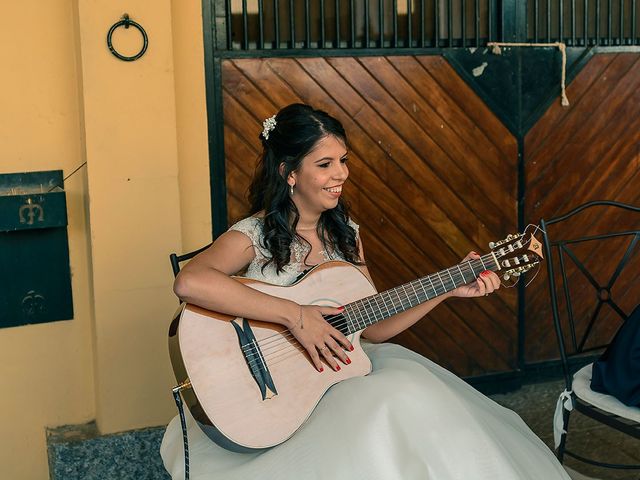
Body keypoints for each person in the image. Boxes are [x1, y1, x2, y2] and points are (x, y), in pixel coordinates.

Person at [161, 103, 570, 479]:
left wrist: (447, 289)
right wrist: (297, 316)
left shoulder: (346, 234)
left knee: (415, 401)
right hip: (284, 392)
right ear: (289, 173)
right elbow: (190, 282)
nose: (340, 174)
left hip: (340, 374)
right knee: (392, 406)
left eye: (343, 161)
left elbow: (371, 327)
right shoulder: (255, 234)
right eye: (324, 164)